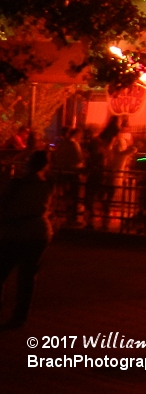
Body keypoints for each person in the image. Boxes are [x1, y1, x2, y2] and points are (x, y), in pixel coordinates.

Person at [0, 149, 54, 328]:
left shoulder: (17, 184)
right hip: (39, 232)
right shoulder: (47, 185)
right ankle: (21, 314)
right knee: (28, 275)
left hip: (16, 232)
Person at [49, 127, 83, 228]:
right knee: (73, 194)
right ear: (77, 135)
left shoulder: (61, 143)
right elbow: (78, 159)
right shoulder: (74, 145)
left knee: (61, 194)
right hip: (71, 173)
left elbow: (54, 153)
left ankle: (58, 213)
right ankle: (71, 216)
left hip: (60, 172)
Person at [82, 130, 110, 231]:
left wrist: (85, 170)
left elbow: (89, 167)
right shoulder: (103, 153)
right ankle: (104, 221)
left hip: (94, 177)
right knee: (101, 199)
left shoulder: (94, 155)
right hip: (100, 177)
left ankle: (91, 221)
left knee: (90, 199)